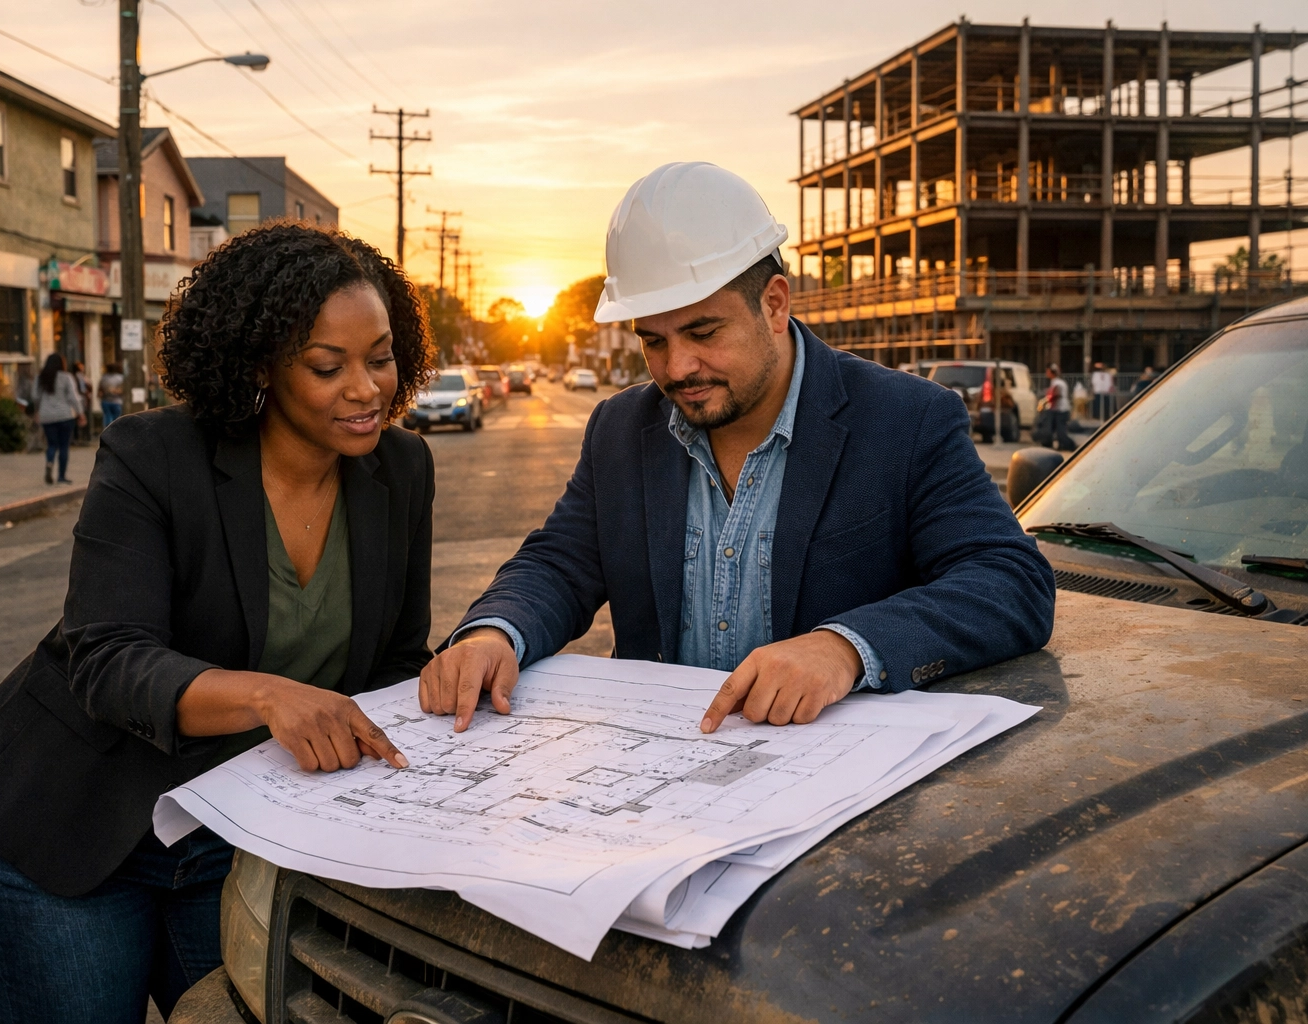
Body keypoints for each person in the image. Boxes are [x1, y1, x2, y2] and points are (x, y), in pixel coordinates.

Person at [0, 223, 439, 1023]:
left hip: (235, 840)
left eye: (380, 356)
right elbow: (107, 658)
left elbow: (394, 664)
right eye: (326, 366)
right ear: (259, 367)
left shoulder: (402, 468)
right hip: (72, 836)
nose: (366, 387)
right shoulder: (153, 455)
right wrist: (271, 697)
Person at [419, 162, 1054, 736]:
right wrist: (492, 633)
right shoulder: (621, 428)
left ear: (774, 304)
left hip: (836, 801)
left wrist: (844, 649)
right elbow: (558, 564)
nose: (678, 367)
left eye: (702, 331)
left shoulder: (905, 419)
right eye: (654, 341)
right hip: (659, 787)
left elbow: (1009, 582)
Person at [33, 352, 84, 484]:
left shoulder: (40, 378)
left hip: (47, 416)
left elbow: (35, 397)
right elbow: (73, 397)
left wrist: (37, 412)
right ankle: (61, 476)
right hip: (65, 416)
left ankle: (49, 462)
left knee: (51, 445)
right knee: (63, 446)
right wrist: (80, 413)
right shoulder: (66, 377)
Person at [1045, 363, 1076, 452]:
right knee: (1055, 429)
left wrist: (1047, 401)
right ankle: (1060, 445)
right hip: (1058, 409)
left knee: (1061, 431)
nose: (1046, 373)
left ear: (1052, 372)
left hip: (1061, 410)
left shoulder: (1057, 383)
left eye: (1048, 371)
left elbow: (1056, 394)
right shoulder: (1057, 382)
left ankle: (1070, 445)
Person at [99, 361, 125, 427]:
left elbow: (100, 389)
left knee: (107, 416)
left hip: (105, 400)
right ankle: (114, 431)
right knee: (116, 418)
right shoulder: (120, 378)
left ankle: (107, 431)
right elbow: (123, 389)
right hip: (116, 400)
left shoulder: (104, 378)